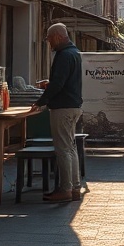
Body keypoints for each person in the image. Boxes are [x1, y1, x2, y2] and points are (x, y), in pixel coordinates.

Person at [30, 23, 83, 202]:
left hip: (63, 107)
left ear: (58, 36)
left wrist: (41, 102)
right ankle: (75, 187)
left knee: (63, 150)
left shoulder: (63, 55)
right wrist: (50, 83)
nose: (49, 42)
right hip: (74, 105)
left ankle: (65, 189)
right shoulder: (74, 52)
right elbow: (64, 81)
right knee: (71, 148)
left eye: (50, 38)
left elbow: (59, 84)